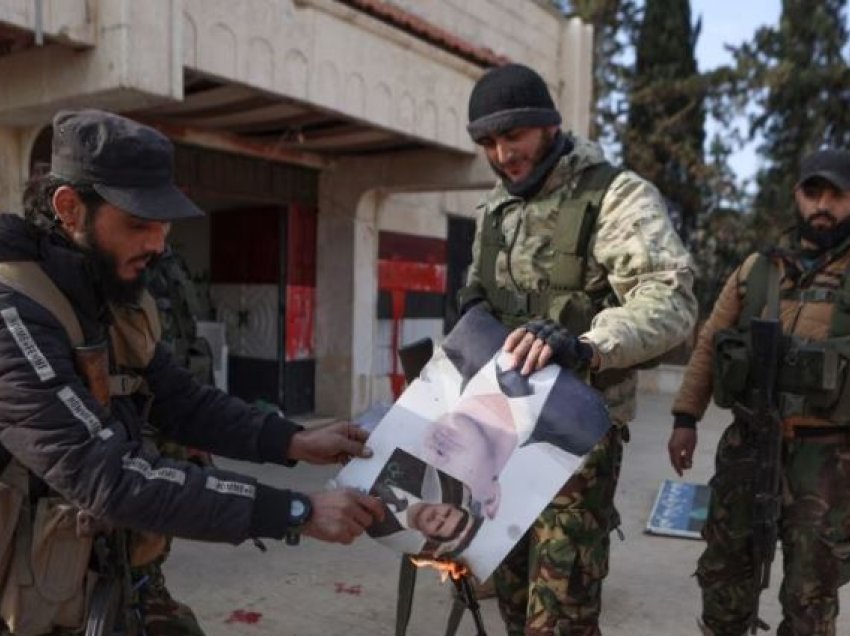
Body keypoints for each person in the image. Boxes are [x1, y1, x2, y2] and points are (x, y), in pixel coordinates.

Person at [0, 109, 384, 636]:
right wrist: (297, 510)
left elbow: (181, 400)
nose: (158, 244)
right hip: (28, 601)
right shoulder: (15, 313)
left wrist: (294, 441)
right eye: (138, 223)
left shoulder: (109, 297)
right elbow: (105, 474)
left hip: (106, 578)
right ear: (69, 208)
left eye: (163, 224)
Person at [457, 64, 697, 636]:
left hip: (575, 436)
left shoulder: (614, 195)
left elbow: (670, 301)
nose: (502, 153)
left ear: (548, 126)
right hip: (499, 430)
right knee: (511, 594)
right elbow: (481, 285)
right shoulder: (497, 207)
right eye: (488, 142)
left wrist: (586, 344)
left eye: (512, 136)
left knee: (561, 613)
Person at [668, 148, 850, 636]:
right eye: (813, 192)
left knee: (811, 592)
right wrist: (686, 417)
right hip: (749, 443)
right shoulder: (759, 269)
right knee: (725, 574)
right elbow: (710, 341)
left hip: (828, 458)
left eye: (836, 194)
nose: (822, 205)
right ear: (797, 195)